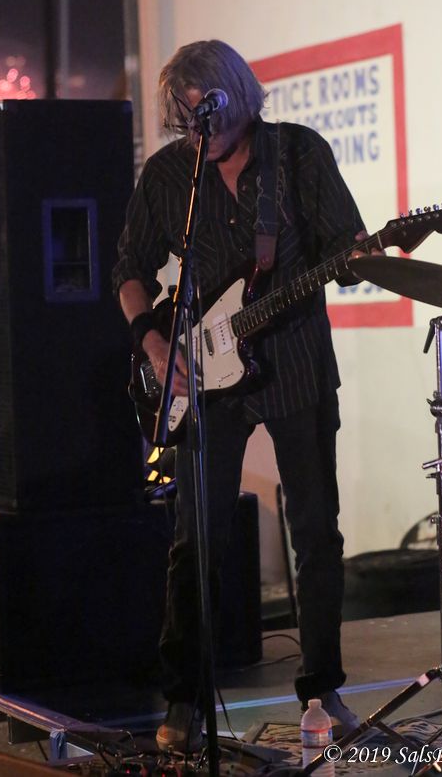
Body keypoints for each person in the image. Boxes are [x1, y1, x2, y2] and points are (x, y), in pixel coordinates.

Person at [112, 39, 367, 753]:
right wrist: (154, 344)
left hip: (296, 365)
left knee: (315, 532)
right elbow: (128, 269)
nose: (201, 128)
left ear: (238, 96)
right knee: (196, 539)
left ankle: (322, 691)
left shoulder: (298, 155)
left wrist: (355, 258)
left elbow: (345, 249)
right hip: (206, 377)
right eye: (187, 117)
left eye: (209, 111)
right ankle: (185, 699)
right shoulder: (170, 175)